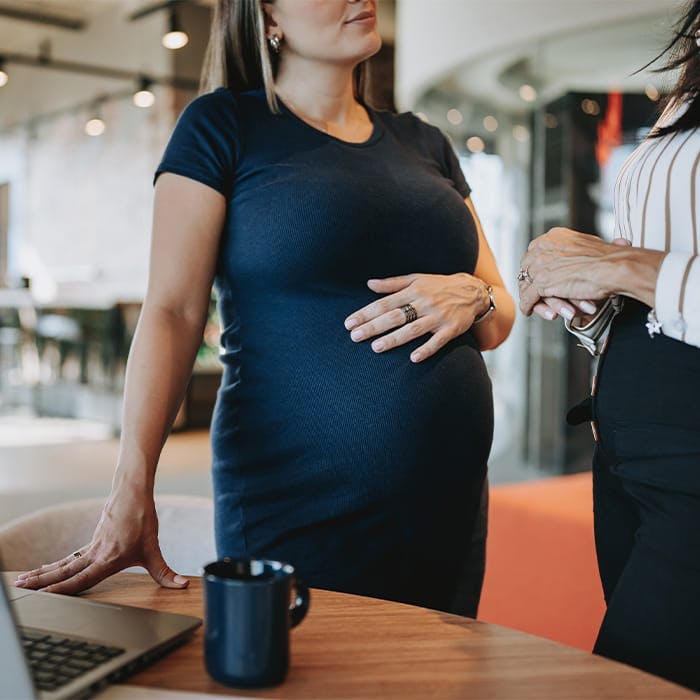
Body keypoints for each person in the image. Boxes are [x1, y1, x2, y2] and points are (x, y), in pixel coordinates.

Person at [14, 0, 514, 616]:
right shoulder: (222, 126)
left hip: (449, 496)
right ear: (268, 17)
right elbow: (171, 312)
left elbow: (497, 316)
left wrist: (477, 293)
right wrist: (131, 486)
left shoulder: (425, 143)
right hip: (298, 491)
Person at [518, 1, 700, 690]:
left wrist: (621, 267)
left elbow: (652, 266)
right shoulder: (692, 64)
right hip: (628, 455)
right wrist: (584, 289)